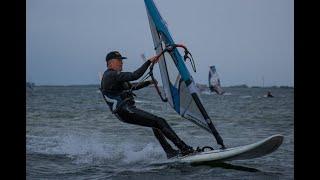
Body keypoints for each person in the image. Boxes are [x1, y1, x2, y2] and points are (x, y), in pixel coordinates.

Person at [100, 51, 195, 158]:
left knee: (155, 125)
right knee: (160, 121)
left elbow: (132, 87)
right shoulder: (110, 75)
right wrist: (149, 62)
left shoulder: (114, 77)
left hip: (125, 111)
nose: (121, 63)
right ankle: (184, 148)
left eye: (122, 61)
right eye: (119, 61)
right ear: (110, 63)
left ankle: (170, 151)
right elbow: (134, 75)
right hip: (125, 110)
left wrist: (149, 82)